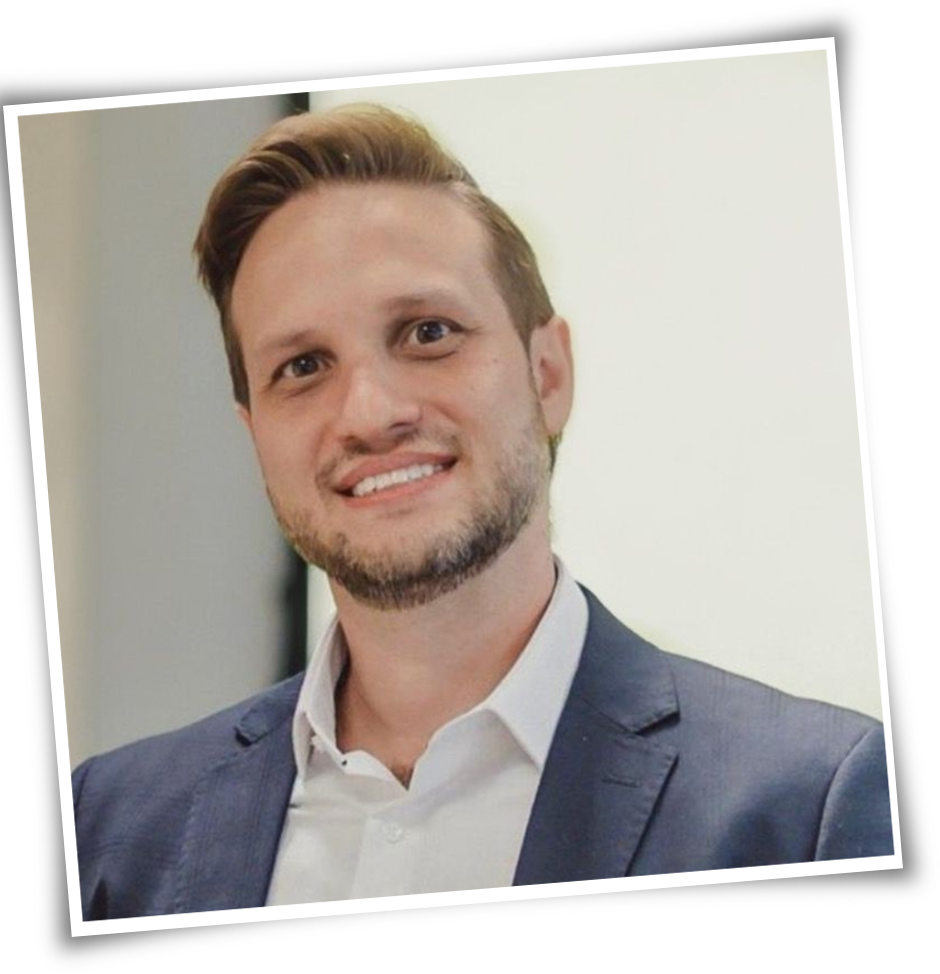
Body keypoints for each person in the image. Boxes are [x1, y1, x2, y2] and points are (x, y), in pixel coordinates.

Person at [72, 105, 893, 919]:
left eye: (427, 332)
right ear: (255, 437)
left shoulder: (811, 807)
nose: (368, 413)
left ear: (548, 375)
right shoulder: (104, 830)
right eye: (304, 366)